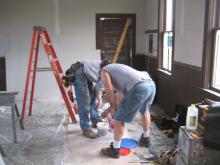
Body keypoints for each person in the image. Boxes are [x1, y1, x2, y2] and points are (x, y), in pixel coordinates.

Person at [99, 63, 156, 158]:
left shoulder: (103, 71)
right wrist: (116, 109)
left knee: (118, 118)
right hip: (151, 84)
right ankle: (146, 138)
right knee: (145, 111)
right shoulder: (118, 72)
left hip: (139, 86)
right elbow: (120, 95)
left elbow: (108, 90)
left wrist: (113, 109)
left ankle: (115, 149)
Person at [65, 59, 111, 138]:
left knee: (92, 96)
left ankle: (95, 119)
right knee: (84, 100)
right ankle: (86, 128)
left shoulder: (110, 73)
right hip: (79, 71)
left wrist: (99, 99)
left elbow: (98, 89)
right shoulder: (106, 74)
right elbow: (98, 89)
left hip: (85, 73)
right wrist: (100, 100)